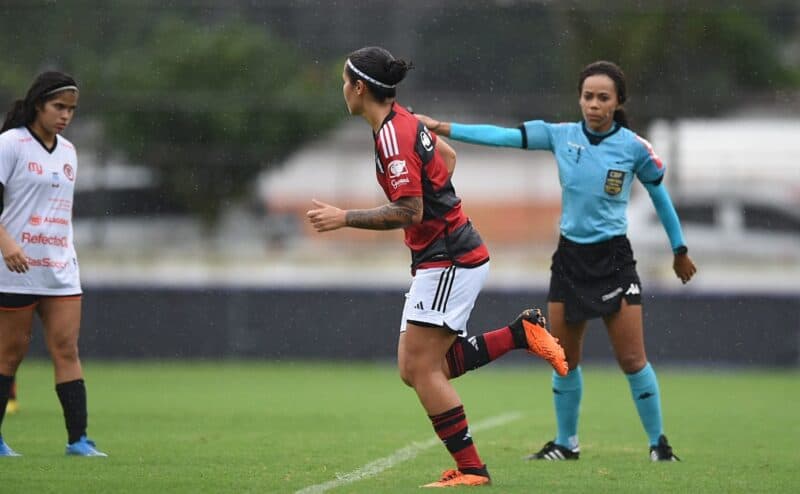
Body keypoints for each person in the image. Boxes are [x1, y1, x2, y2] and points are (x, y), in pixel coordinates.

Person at [307, 46, 568, 487]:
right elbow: (446, 159)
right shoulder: (402, 121)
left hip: (449, 258)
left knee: (420, 369)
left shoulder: (394, 134)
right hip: (446, 255)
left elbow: (409, 210)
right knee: (420, 367)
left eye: (345, 82)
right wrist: (439, 207)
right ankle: (520, 334)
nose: (343, 89)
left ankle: (472, 470)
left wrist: (344, 217)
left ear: (360, 88)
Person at [415, 60, 696, 462]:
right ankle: (566, 443)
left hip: (614, 259)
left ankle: (659, 445)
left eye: (603, 98)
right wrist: (441, 127)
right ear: (579, 99)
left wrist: (679, 249)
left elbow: (660, 198)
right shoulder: (560, 135)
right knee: (564, 358)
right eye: (588, 96)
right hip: (569, 259)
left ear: (618, 102)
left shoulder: (635, 148)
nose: (594, 104)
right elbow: (502, 137)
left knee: (632, 359)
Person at [0, 71, 106, 457]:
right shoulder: (10, 144)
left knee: (66, 350)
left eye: (71, 110)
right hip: (15, 269)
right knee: (9, 354)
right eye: (58, 107)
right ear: (37, 105)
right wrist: (7, 244)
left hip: (60, 269)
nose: (65, 115)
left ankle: (78, 440)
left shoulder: (68, 151)